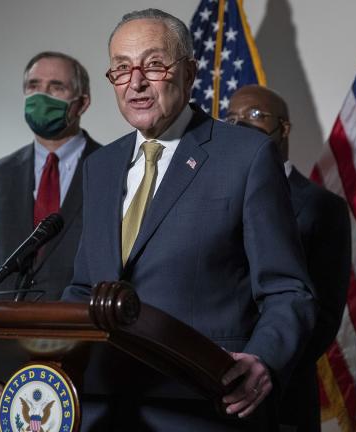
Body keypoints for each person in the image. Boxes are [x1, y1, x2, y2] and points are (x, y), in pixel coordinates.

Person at [62, 8, 317, 431]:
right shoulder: (100, 166)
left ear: (190, 71)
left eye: (154, 65)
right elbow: (84, 287)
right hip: (106, 408)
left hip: (202, 406)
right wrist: (39, 350)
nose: (136, 82)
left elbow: (288, 289)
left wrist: (264, 359)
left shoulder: (246, 156)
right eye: (121, 69)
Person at [0, 51, 101, 431]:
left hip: (81, 378)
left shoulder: (116, 170)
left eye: (56, 87)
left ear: (82, 102)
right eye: (33, 87)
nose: (41, 96)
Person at [225, 84, 351, 432]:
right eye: (231, 117)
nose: (241, 125)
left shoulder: (324, 207)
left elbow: (324, 314)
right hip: (211, 385)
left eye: (254, 115)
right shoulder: (212, 196)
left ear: (284, 128)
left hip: (280, 392)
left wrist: (265, 363)